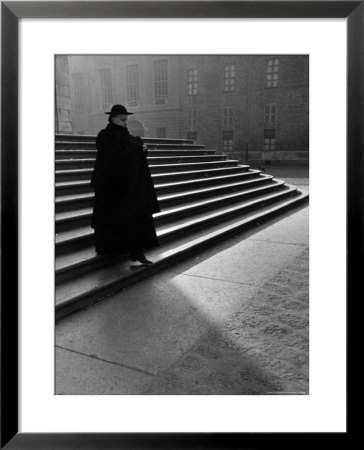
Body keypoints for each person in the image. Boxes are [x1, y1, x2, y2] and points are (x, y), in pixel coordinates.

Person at [90, 104, 160, 265]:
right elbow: (115, 154)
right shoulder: (104, 135)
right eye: (122, 118)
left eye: (126, 118)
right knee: (116, 218)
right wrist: (137, 149)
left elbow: (131, 148)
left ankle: (135, 251)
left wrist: (142, 148)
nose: (126, 121)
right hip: (111, 187)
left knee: (132, 218)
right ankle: (118, 249)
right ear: (112, 118)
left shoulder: (127, 135)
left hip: (126, 186)